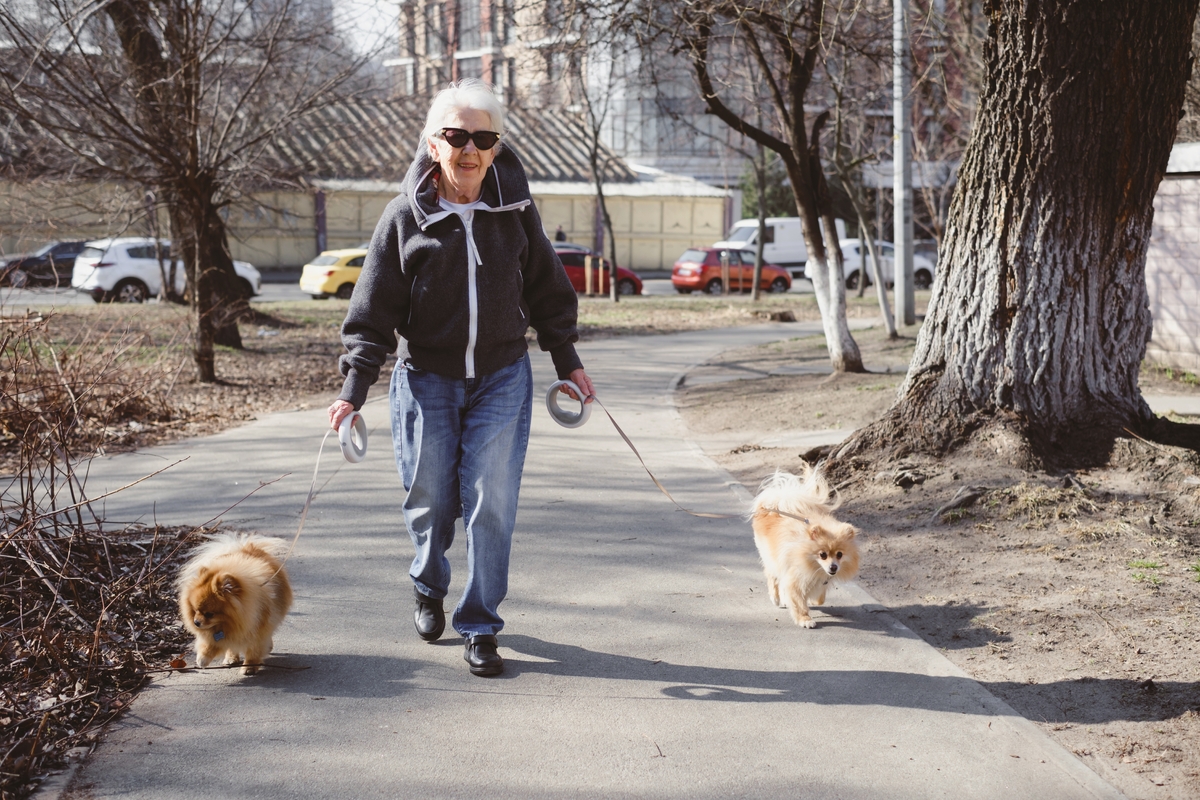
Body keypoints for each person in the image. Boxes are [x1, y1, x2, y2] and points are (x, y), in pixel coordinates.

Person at [328, 79, 594, 677]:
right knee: (431, 501)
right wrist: (352, 391)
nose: (468, 149)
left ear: (496, 148)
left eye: (482, 138)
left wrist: (568, 362)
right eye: (455, 136)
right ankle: (428, 583)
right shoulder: (404, 217)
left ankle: (479, 624)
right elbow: (371, 316)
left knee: (491, 503)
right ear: (432, 144)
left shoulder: (515, 215)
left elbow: (549, 292)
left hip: (502, 376)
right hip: (427, 378)